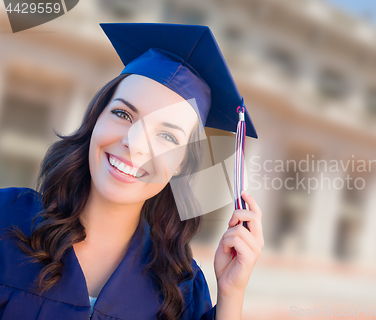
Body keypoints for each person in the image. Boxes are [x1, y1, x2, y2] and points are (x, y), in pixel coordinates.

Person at [0, 23, 264, 320]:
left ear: (180, 164)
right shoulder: (6, 219)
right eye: (123, 114)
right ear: (95, 119)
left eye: (167, 136)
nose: (135, 144)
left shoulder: (181, 288)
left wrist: (231, 293)